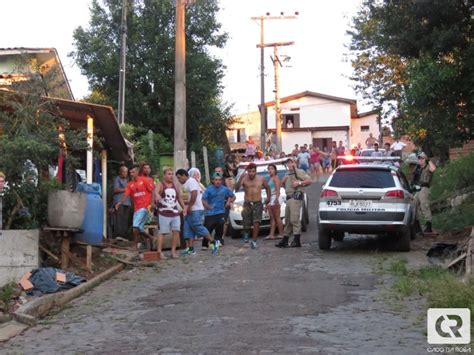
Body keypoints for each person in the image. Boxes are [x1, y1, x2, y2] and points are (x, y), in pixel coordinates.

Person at [175, 169, 219, 255]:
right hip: (189, 209)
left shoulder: (191, 181)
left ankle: (213, 242)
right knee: (188, 228)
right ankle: (191, 248)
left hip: (195, 209)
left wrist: (190, 206)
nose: (179, 180)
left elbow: (194, 194)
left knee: (197, 226)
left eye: (179, 177)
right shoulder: (186, 183)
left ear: (184, 175)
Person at [115, 165, 155, 250]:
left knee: (135, 227)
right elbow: (126, 195)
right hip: (137, 208)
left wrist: (152, 204)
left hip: (145, 207)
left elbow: (152, 191)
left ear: (137, 172)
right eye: (130, 172)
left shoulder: (144, 180)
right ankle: (151, 238)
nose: (131, 174)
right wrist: (120, 203)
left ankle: (135, 245)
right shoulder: (130, 184)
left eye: (133, 172)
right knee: (139, 228)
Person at [276, 157, 312, 248]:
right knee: (287, 220)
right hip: (288, 198)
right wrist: (283, 183)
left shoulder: (299, 172)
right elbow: (284, 185)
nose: (289, 165)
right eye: (288, 163)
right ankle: (285, 239)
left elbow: (309, 180)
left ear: (295, 163)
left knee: (294, 219)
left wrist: (299, 183)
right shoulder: (287, 173)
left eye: (291, 162)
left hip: (295, 197)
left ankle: (297, 240)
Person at [234, 163, 271, 249]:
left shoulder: (261, 178)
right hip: (247, 203)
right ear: (247, 171)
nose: (251, 173)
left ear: (256, 171)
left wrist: (268, 198)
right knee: (246, 222)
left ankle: (254, 241)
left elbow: (267, 188)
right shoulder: (244, 178)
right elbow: (236, 188)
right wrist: (240, 178)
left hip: (257, 202)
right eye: (249, 171)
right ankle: (246, 233)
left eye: (253, 171)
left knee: (256, 222)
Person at [154, 168, 185, 259]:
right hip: (163, 212)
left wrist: (184, 208)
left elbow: (179, 198)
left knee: (176, 231)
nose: (171, 176)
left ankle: (173, 251)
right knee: (162, 232)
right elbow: (155, 191)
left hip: (175, 213)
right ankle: (159, 252)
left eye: (172, 174)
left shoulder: (175, 185)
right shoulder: (161, 184)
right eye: (169, 174)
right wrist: (158, 195)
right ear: (164, 175)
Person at [202, 172, 235, 248]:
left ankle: (218, 240)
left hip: (220, 211)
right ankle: (205, 244)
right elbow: (203, 200)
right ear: (213, 181)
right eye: (216, 180)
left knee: (220, 224)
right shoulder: (209, 189)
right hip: (210, 213)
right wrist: (208, 206)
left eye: (219, 180)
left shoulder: (224, 189)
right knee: (208, 228)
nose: (218, 181)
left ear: (222, 181)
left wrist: (229, 202)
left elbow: (233, 196)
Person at [414, 152, 437, 233]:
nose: (420, 160)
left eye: (422, 158)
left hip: (425, 188)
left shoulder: (428, 167)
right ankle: (417, 225)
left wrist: (429, 160)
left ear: (425, 159)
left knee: (424, 206)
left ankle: (429, 225)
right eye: (419, 158)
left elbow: (433, 169)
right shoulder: (418, 168)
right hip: (418, 188)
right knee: (414, 205)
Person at [264, 164, 284, 240]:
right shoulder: (270, 178)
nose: (270, 170)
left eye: (272, 168)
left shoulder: (276, 178)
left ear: (275, 170)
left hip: (275, 197)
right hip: (271, 198)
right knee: (272, 217)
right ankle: (271, 234)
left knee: (277, 217)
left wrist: (276, 199)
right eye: (269, 169)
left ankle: (281, 233)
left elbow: (278, 189)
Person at [112, 166, 131, 239]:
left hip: (127, 202)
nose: (125, 173)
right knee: (119, 220)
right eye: (124, 171)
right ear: (120, 172)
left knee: (125, 220)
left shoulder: (127, 180)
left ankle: (124, 236)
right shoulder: (117, 179)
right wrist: (126, 189)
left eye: (126, 172)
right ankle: (118, 235)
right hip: (119, 202)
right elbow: (115, 190)